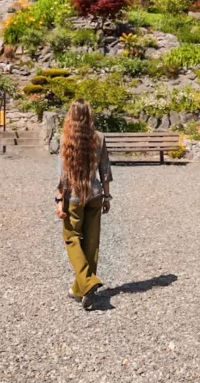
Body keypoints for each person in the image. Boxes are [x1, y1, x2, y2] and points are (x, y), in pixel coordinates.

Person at [55, 98, 112, 310]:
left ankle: (87, 283)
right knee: (91, 242)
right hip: (95, 195)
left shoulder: (66, 139)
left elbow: (63, 176)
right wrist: (107, 197)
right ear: (89, 114)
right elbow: (105, 170)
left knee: (71, 238)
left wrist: (59, 200)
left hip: (74, 197)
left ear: (71, 115)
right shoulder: (99, 137)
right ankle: (79, 289)